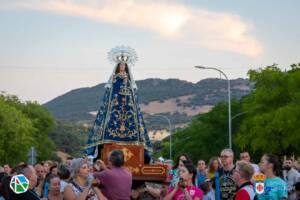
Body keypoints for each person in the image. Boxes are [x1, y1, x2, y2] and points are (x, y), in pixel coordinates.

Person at [85, 46, 152, 163]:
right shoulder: (114, 79)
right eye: (120, 65)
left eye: (124, 66)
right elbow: (109, 95)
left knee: (133, 121)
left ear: (126, 67)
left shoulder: (130, 81)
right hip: (115, 108)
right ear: (117, 67)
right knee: (111, 121)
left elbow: (133, 97)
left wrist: (127, 85)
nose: (122, 67)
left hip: (128, 109)